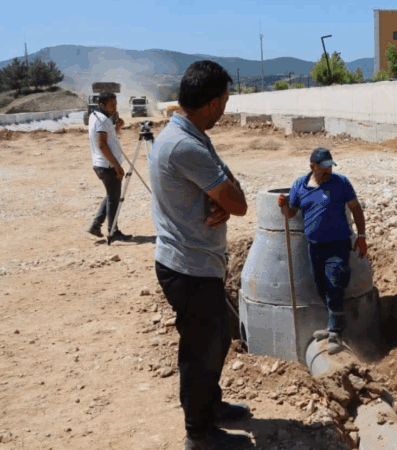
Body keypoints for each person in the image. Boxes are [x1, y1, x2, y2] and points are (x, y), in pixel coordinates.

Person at [149, 60, 251, 450]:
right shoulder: (187, 146)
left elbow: (227, 191)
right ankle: (199, 434)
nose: (225, 108)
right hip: (189, 267)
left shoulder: (185, 133)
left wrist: (222, 196)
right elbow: (238, 201)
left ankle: (211, 406)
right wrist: (226, 196)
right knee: (199, 350)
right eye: (224, 100)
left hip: (196, 262)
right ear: (211, 103)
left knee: (217, 339)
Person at [278, 147, 367, 355]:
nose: (328, 171)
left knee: (335, 285)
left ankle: (336, 332)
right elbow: (291, 213)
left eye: (330, 167)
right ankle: (330, 327)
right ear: (313, 167)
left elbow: (356, 208)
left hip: (338, 245)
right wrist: (284, 206)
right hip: (314, 247)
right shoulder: (300, 185)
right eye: (324, 167)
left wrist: (361, 237)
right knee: (321, 288)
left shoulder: (341, 183)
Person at [86, 92, 132, 241]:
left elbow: (108, 139)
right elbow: (102, 144)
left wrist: (117, 128)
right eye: (112, 105)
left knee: (111, 195)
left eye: (116, 104)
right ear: (102, 105)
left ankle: (96, 225)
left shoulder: (96, 116)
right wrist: (117, 166)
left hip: (102, 164)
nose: (114, 108)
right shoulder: (102, 120)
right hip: (107, 166)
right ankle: (113, 231)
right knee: (114, 198)